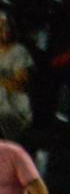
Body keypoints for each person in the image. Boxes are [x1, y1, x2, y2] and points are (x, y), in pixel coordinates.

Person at [0, 12, 34, 140]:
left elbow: (21, 85)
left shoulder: (19, 51)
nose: (5, 29)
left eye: (6, 26)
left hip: (12, 107)